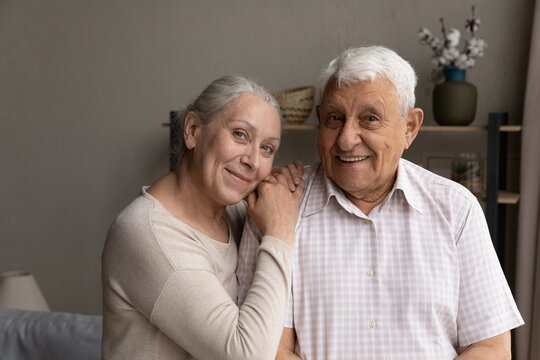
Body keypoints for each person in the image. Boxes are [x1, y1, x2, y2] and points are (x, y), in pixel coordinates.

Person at [237, 46, 524, 359]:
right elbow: (265, 350)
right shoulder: (275, 208)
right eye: (335, 118)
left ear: (409, 128)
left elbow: (490, 347)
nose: (346, 139)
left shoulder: (456, 209)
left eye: (370, 119)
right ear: (320, 120)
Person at [101, 75, 305, 360]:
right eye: (240, 135)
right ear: (193, 130)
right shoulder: (146, 233)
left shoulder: (236, 214)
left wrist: (280, 189)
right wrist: (280, 232)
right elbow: (247, 355)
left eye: (267, 148)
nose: (253, 161)